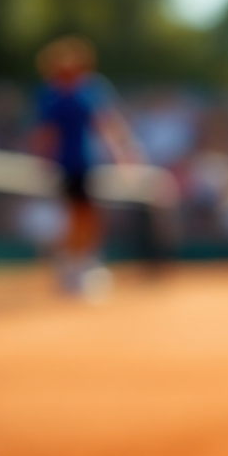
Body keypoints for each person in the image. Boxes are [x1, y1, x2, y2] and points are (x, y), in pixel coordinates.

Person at [33, 36, 144, 299]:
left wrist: (122, 154)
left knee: (84, 217)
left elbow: (106, 124)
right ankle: (75, 267)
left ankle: (79, 265)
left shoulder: (86, 91)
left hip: (83, 165)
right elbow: (45, 133)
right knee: (75, 217)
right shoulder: (54, 95)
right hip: (65, 167)